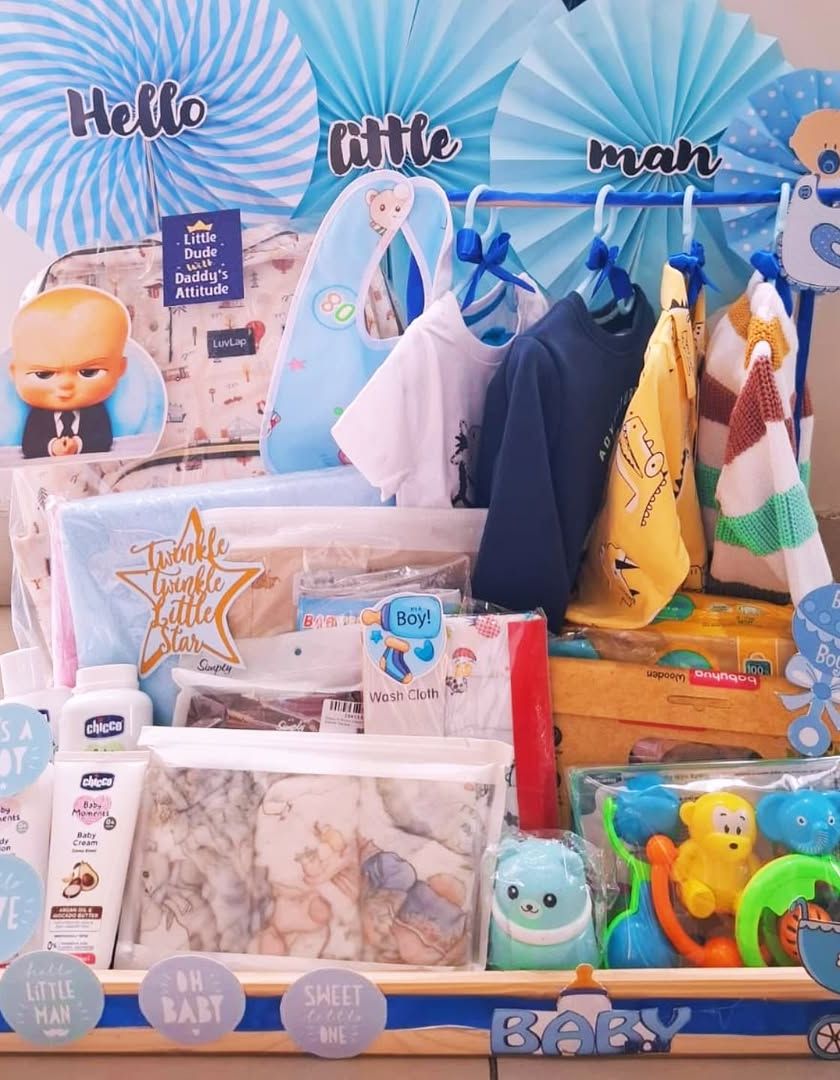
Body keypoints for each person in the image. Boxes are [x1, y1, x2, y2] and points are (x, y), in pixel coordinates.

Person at [10, 286, 129, 459]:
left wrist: (78, 445)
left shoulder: (95, 412)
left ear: (120, 368)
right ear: (14, 373)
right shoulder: (39, 415)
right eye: (44, 374)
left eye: (88, 372)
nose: (66, 385)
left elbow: (104, 440)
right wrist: (52, 446)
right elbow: (29, 445)